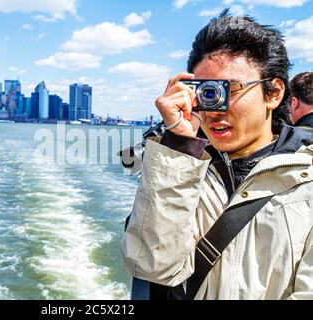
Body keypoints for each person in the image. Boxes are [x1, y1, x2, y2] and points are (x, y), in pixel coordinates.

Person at [121, 10, 313, 300]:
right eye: (205, 92)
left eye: (229, 90)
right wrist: (177, 144)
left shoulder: (306, 177)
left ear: (273, 93)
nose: (213, 109)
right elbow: (151, 266)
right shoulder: (182, 169)